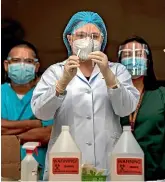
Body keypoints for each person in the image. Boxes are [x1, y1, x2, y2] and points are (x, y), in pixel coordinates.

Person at [31, 11, 140, 180]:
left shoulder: (118, 70)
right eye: (81, 35)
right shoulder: (55, 71)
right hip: (65, 166)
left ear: (102, 40)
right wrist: (61, 83)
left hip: (107, 166)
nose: (88, 41)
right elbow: (41, 112)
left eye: (95, 36)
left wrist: (109, 75)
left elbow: (126, 109)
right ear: (70, 39)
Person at [1, 41, 53, 180]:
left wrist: (6, 136)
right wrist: (35, 124)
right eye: (16, 61)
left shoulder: (48, 96)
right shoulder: (1, 93)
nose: (22, 65)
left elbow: (48, 134)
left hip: (39, 172)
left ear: (36, 66)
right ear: (6, 65)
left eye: (28, 61)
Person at [118, 36, 165, 180]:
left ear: (148, 60)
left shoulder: (161, 95)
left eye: (138, 54)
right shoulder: (111, 96)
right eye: (126, 55)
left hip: (156, 174)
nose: (132, 58)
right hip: (119, 172)